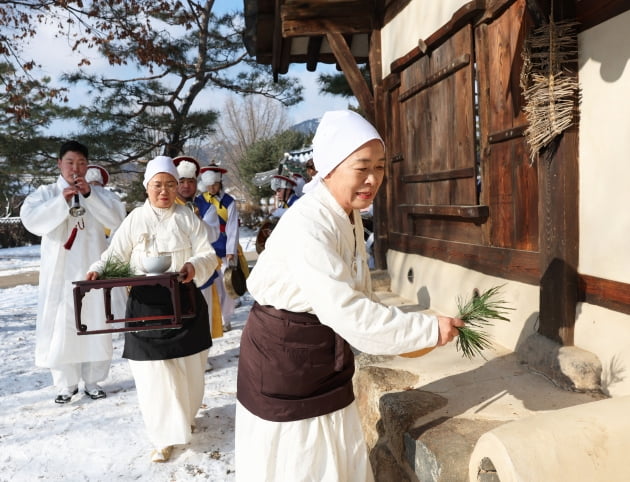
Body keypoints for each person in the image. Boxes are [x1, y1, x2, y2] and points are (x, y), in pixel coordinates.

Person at [235, 110, 465, 481]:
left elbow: (360, 293)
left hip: (321, 355)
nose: (373, 179)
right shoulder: (308, 225)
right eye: (361, 168)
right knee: (303, 461)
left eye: (380, 166)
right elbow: (350, 312)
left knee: (337, 452)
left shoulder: (348, 215)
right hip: (287, 358)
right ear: (328, 168)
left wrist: (411, 333)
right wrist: (425, 330)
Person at [86, 155, 218, 462]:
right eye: (158, 185)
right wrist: (97, 270)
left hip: (184, 300)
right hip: (145, 306)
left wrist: (192, 266)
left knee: (190, 370)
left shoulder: (187, 217)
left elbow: (208, 255)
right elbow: (114, 254)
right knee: (152, 375)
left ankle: (185, 418)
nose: (164, 191)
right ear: (147, 187)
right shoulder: (134, 219)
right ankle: (163, 438)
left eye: (170, 185)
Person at [20, 140, 127, 404]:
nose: (75, 168)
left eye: (81, 163)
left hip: (92, 270)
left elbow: (118, 220)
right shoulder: (45, 193)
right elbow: (31, 220)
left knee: (96, 321)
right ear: (59, 164)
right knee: (61, 327)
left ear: (88, 165)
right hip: (60, 274)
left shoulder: (100, 193)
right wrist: (61, 201)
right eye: (70, 163)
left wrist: (90, 196)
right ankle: (66, 384)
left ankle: (93, 380)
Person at [173, 155, 223, 369]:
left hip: (201, 269)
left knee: (202, 315)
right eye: (182, 182)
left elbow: (213, 235)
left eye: (190, 181)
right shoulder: (168, 204)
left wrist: (197, 220)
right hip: (175, 270)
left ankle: (202, 357)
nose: (186, 186)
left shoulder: (206, 205)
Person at [195, 162, 246, 332]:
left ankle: (227, 318)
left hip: (225, 249)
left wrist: (231, 251)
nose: (212, 188)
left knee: (227, 285)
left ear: (220, 183)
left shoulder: (229, 201)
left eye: (215, 184)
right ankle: (215, 319)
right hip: (207, 250)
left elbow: (232, 228)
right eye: (209, 185)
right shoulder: (199, 201)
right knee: (214, 287)